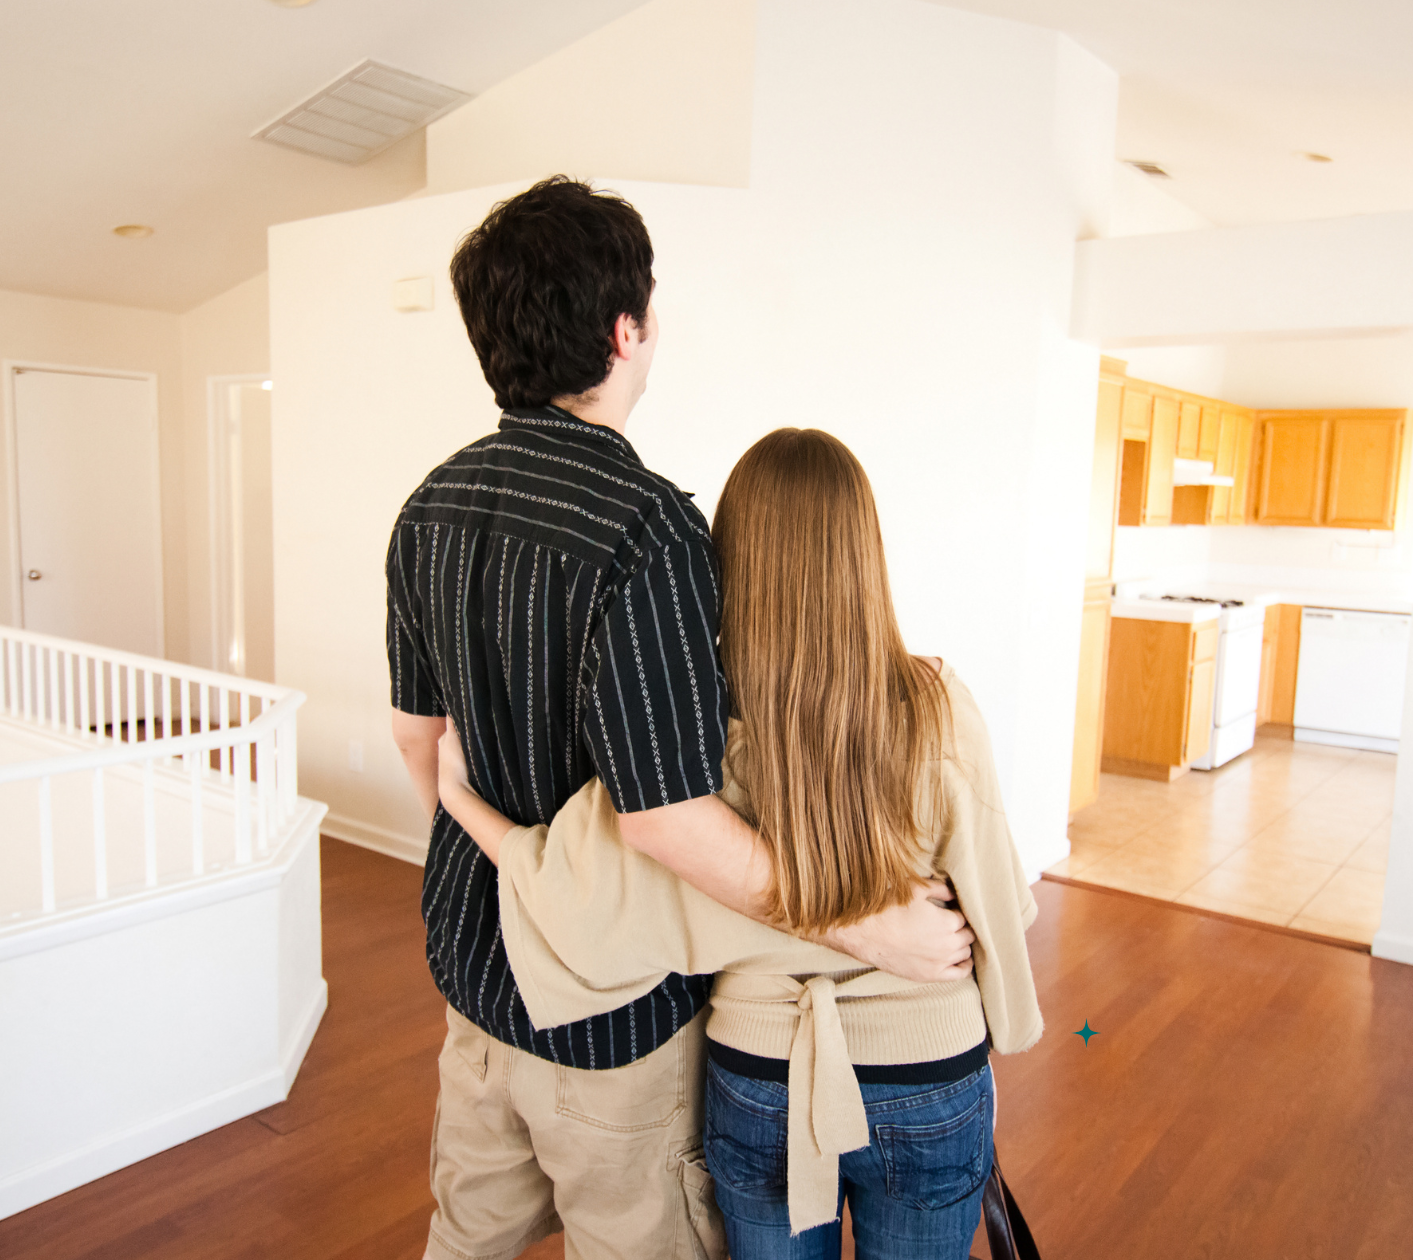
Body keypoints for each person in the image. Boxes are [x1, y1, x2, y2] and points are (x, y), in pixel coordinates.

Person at [386, 178, 976, 1260]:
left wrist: (478, 813)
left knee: (464, 1240)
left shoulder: (429, 506)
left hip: (473, 980)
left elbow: (420, 744)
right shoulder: (646, 531)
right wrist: (871, 926)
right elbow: (665, 821)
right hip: (605, 1023)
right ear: (625, 330)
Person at [435, 427, 1045, 1260]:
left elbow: (561, 883)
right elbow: (1002, 908)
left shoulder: (694, 744)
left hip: (758, 1078)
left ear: (729, 561)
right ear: (863, 553)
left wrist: (457, 799)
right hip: (928, 1079)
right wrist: (998, 1012)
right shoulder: (939, 708)